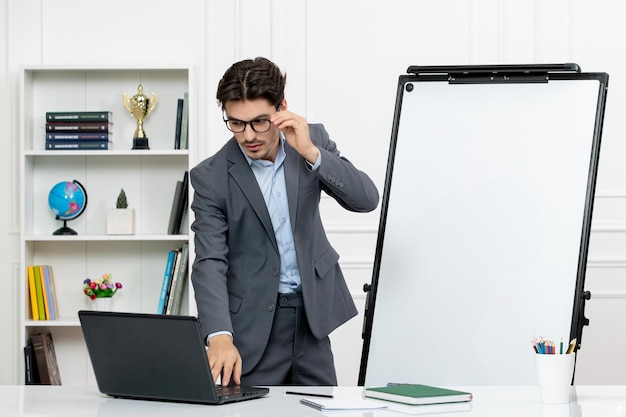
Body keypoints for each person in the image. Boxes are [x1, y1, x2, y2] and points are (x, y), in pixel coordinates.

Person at [190, 57, 379, 387]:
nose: (248, 135)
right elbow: (209, 261)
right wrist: (219, 336)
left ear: (282, 109)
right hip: (251, 326)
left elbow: (365, 200)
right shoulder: (211, 177)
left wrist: (310, 152)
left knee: (323, 410)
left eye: (260, 122)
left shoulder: (312, 139)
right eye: (236, 123)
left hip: (312, 320)